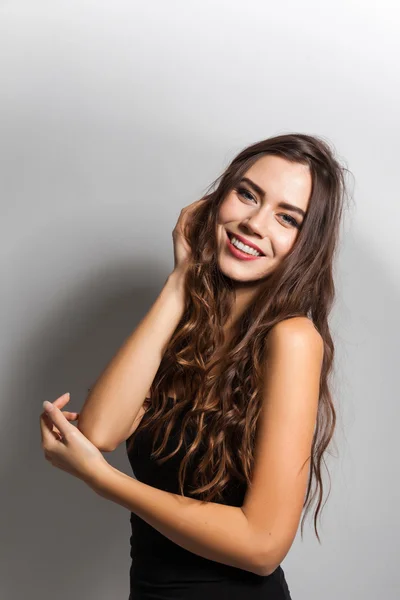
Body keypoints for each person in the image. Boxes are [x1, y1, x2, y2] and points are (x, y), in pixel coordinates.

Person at [72, 133, 350, 599]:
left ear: (306, 245)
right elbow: (99, 431)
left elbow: (262, 545)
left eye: (287, 218)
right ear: (214, 201)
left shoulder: (292, 339)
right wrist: (180, 281)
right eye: (247, 194)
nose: (255, 224)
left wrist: (103, 480)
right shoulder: (190, 327)